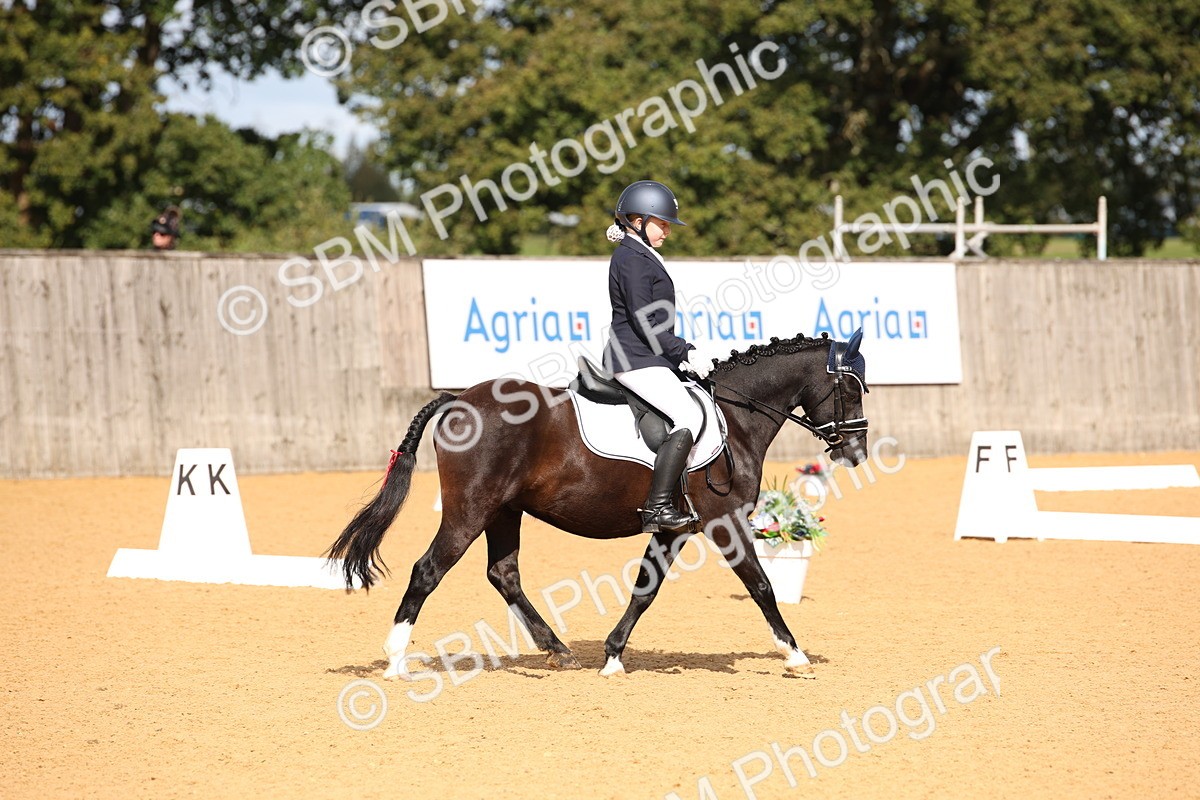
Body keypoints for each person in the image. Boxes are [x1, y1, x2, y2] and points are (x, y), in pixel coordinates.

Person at [601, 179, 712, 534]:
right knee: (689, 416)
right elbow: (644, 319)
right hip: (633, 357)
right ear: (636, 220)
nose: (667, 230)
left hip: (648, 356)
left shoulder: (640, 254)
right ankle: (658, 507)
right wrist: (683, 351)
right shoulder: (632, 258)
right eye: (661, 223)